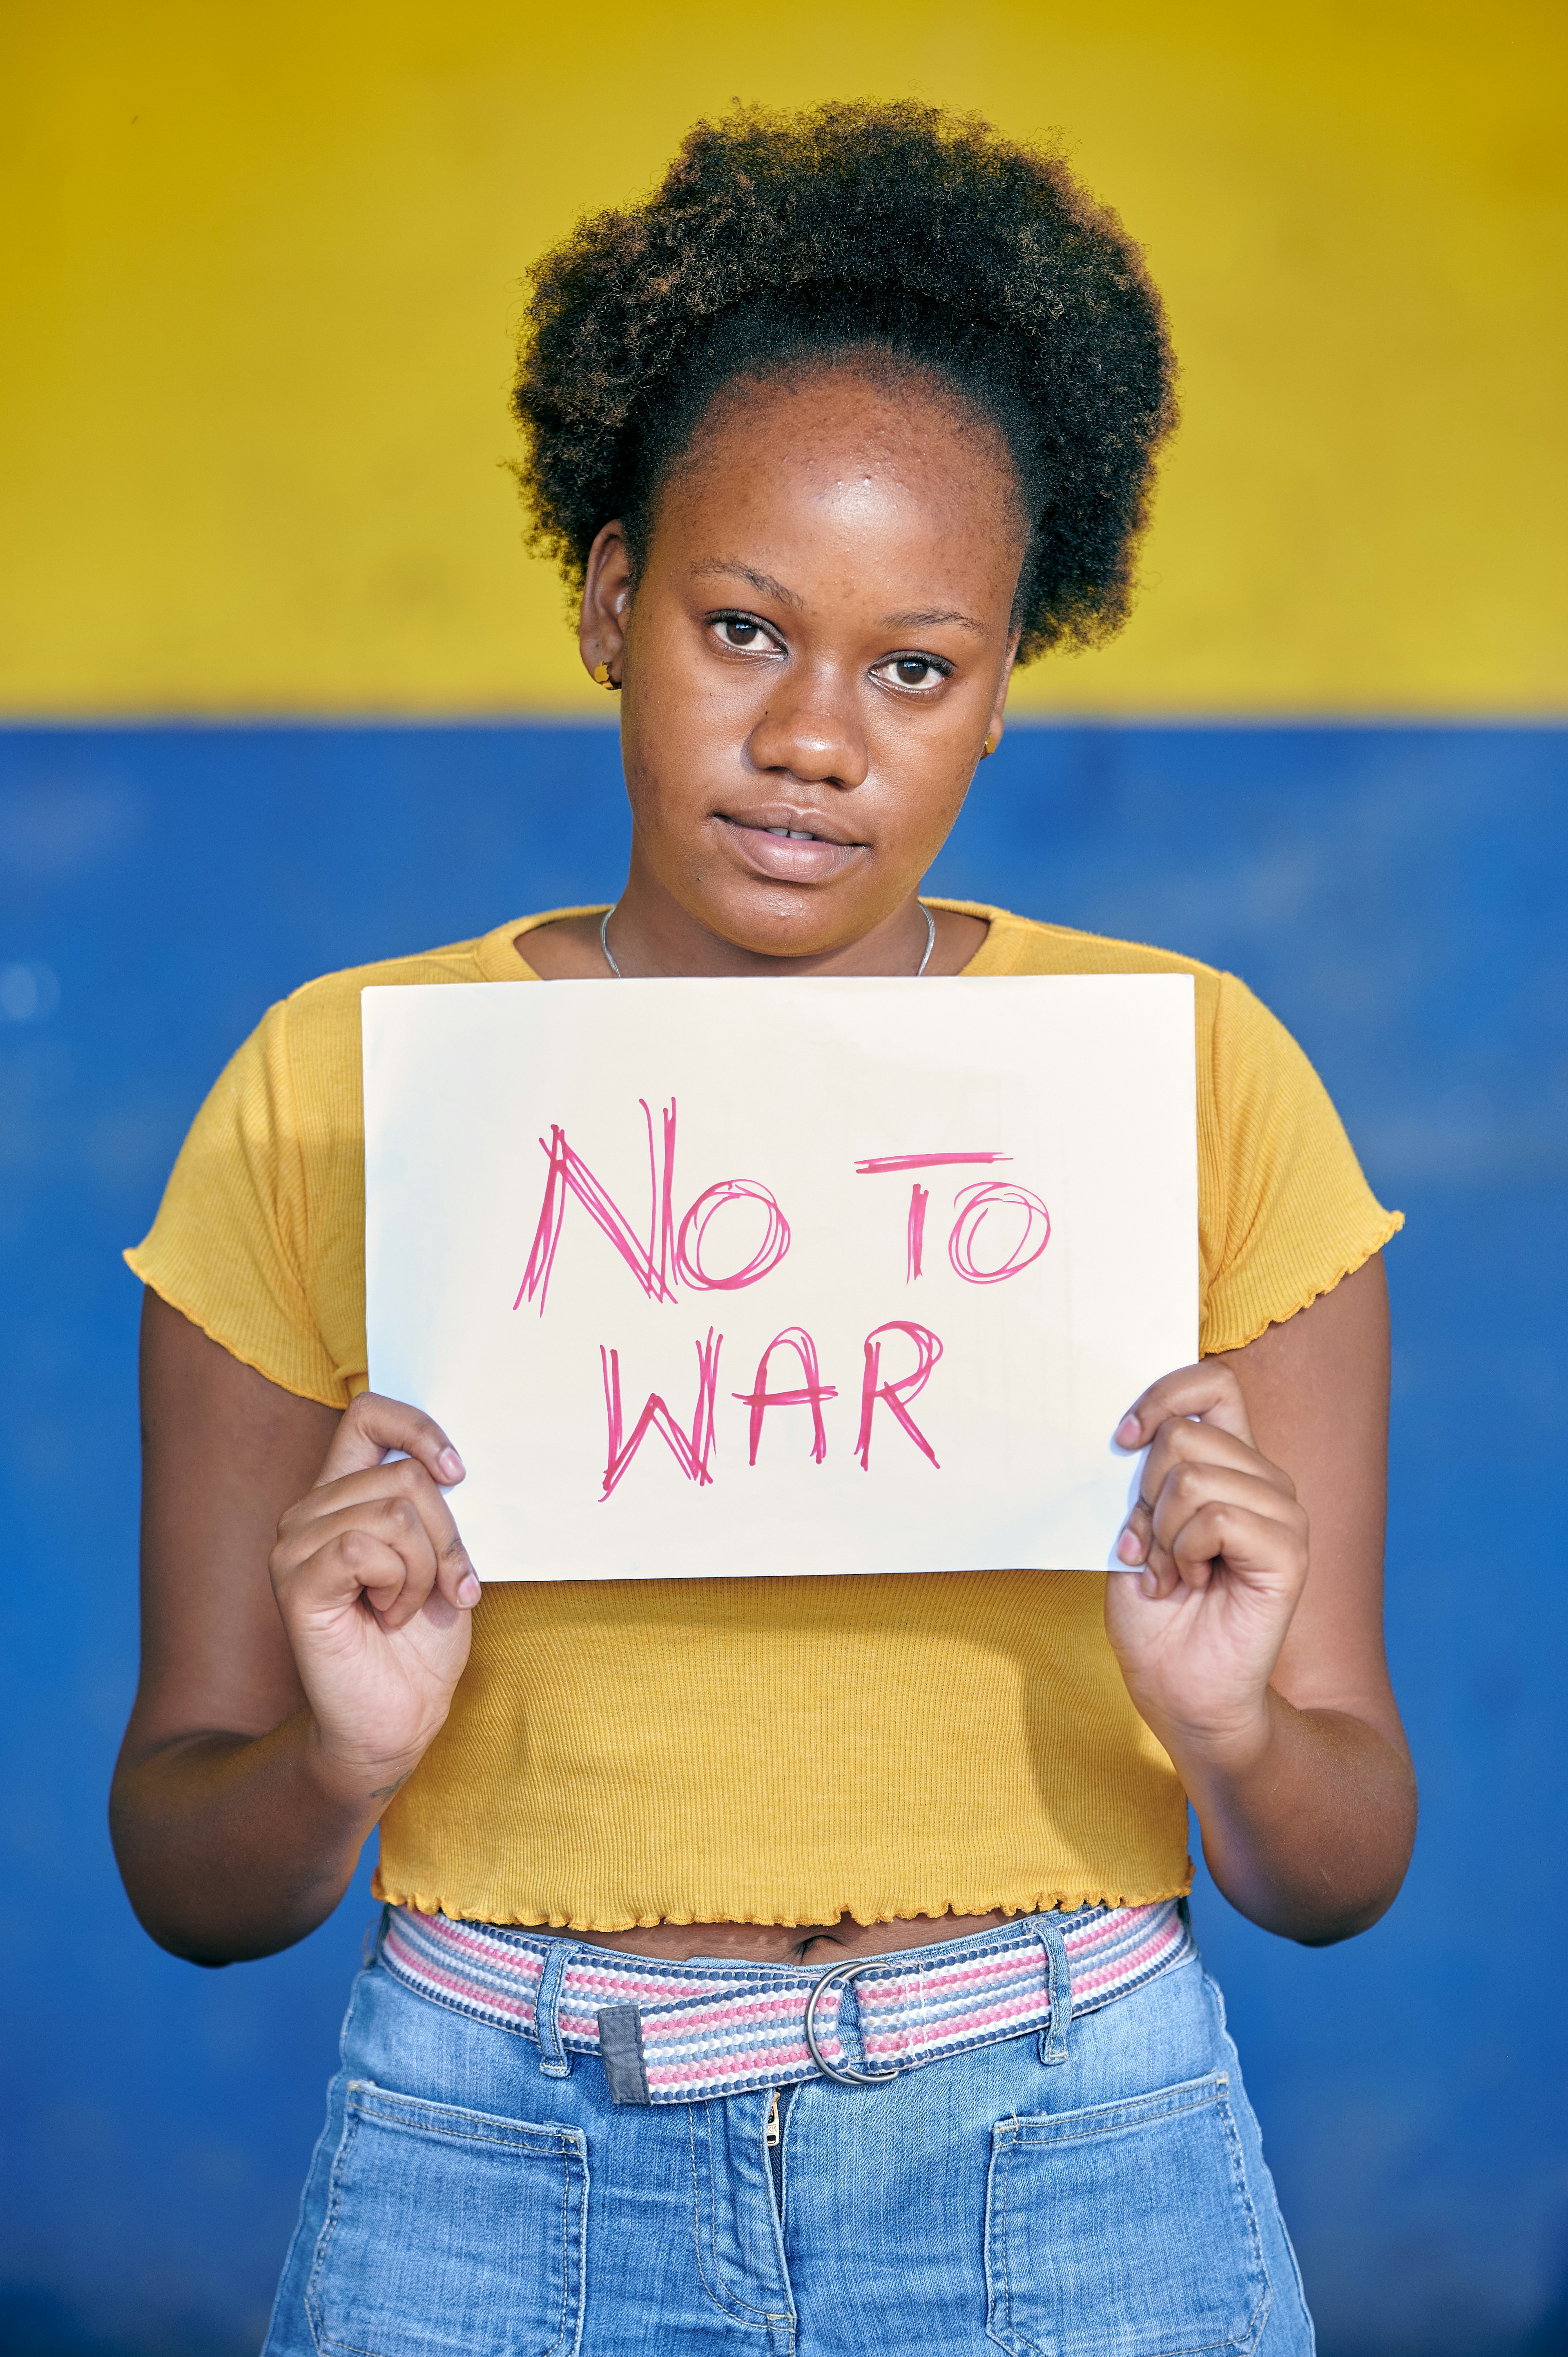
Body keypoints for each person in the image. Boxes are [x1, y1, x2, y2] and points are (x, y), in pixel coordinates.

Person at [113, 101, 1415, 2356]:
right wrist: (336, 1761)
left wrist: (1229, 1731)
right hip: (491, 2154)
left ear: (1004, 693)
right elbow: (188, 1872)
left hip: (1077, 2143)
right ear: (612, 599)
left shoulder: (1193, 1083)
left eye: (916, 666)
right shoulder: (337, 1098)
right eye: (740, 627)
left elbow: (1339, 1862)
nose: (818, 737)